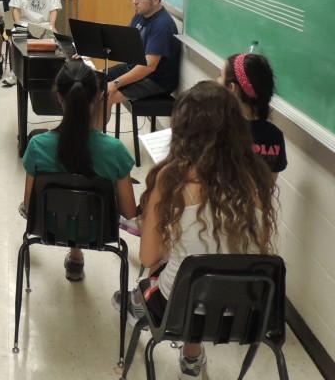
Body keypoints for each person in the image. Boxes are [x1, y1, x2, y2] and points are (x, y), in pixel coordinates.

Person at [116, 81, 277, 378]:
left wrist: (171, 239)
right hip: (243, 314)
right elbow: (257, 250)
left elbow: (150, 256)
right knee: (202, 266)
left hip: (179, 309)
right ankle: (191, 357)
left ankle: (138, 308)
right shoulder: (257, 179)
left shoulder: (170, 180)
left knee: (176, 270)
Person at [21, 61, 137, 281]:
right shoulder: (115, 150)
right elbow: (129, 212)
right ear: (97, 98)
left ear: (59, 97)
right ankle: (76, 254)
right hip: (98, 231)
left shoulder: (37, 145)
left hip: (50, 226)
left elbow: (29, 206)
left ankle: (75, 255)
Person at [105, 0, 181, 108]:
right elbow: (125, 41)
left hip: (156, 80)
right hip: (136, 68)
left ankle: (94, 129)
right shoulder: (140, 14)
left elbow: (149, 66)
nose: (134, 1)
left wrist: (116, 83)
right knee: (94, 79)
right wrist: (91, 51)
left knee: (103, 97)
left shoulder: (162, 25)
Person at [219, 53, 287, 174]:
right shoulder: (275, 136)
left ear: (232, 88)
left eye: (220, 76)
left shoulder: (221, 129)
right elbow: (269, 186)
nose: (217, 80)